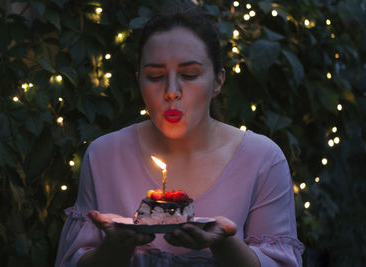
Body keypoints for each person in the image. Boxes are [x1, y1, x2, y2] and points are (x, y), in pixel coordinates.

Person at [55, 2, 304, 267]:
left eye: (189, 74)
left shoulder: (262, 160)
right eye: (155, 76)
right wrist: (116, 248)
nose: (171, 91)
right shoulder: (104, 156)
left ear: (218, 80)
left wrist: (224, 244)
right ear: (139, 80)